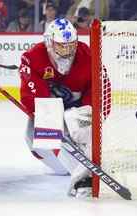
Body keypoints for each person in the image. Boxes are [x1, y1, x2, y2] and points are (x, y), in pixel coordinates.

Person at [19, 18, 92, 198]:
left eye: (71, 45)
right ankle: (66, 167)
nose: (68, 51)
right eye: (62, 46)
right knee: (32, 137)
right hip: (50, 108)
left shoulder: (87, 55)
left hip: (79, 108)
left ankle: (85, 175)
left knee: (85, 133)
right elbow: (31, 98)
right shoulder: (33, 58)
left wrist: (87, 115)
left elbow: (99, 88)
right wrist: (50, 118)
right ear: (50, 43)